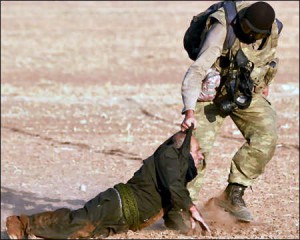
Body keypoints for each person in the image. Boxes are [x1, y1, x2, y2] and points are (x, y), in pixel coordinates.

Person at [6, 126, 211, 239]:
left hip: (121, 220)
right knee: (76, 222)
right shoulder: (168, 157)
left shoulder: (176, 176)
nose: (201, 156)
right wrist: (192, 208)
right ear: (182, 151)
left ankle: (31, 232)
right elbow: (174, 188)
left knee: (81, 234)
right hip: (115, 204)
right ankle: (22, 223)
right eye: (196, 151)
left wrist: (186, 230)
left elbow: (173, 207)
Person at [181, 1, 282, 222]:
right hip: (211, 93)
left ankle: (233, 193)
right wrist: (189, 111)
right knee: (196, 150)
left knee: (267, 134)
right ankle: (183, 207)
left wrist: (263, 82)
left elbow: (268, 58)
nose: (248, 35)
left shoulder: (274, 29)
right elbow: (197, 70)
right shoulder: (222, 28)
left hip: (242, 91)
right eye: (245, 29)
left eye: (254, 34)